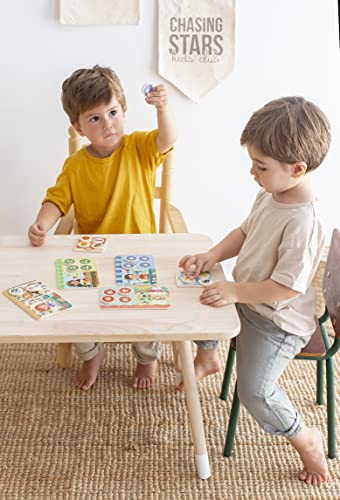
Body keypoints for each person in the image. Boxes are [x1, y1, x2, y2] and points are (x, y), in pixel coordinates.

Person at [179, 96, 330, 485]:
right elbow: (245, 233)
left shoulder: (302, 222)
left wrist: (233, 291)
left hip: (277, 323)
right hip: (248, 300)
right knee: (195, 300)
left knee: (255, 391)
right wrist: (213, 255)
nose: (252, 172)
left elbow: (284, 288)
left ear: (297, 169)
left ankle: (305, 438)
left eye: (260, 166)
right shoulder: (271, 191)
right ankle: (209, 355)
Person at [28, 65, 176, 391]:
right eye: (94, 119)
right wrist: (42, 223)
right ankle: (92, 353)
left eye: (112, 112)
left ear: (124, 110)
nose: (107, 124)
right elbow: (57, 200)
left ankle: (146, 358)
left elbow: (167, 140)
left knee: (148, 307)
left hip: (139, 251)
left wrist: (163, 109)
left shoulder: (139, 147)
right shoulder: (76, 164)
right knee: (76, 305)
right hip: (92, 255)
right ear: (78, 127)